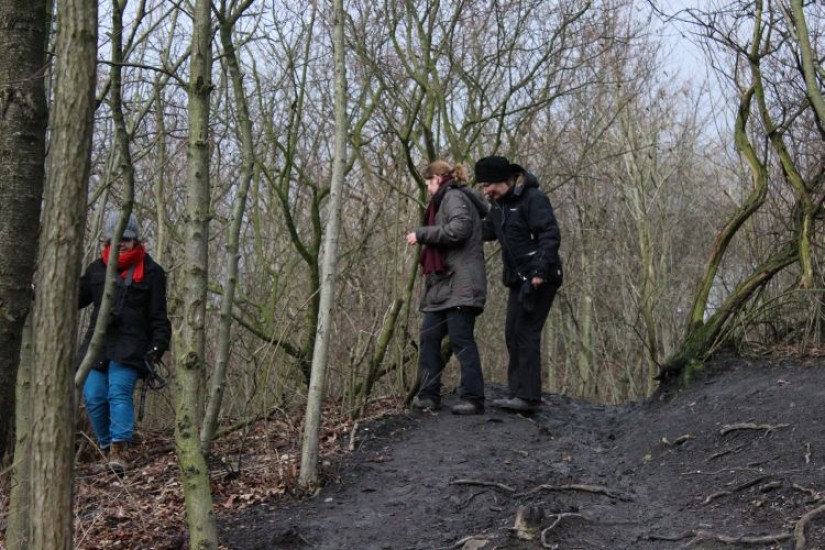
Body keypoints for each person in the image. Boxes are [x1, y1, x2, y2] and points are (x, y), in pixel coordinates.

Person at [78, 212, 171, 473]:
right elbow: (74, 298)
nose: (121, 244)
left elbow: (159, 316)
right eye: (116, 239)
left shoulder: (152, 272)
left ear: (135, 240)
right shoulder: (97, 269)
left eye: (127, 239)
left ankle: (119, 451)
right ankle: (107, 449)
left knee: (118, 392)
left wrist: (157, 348)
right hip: (97, 346)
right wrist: (38, 292)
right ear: (108, 240)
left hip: (132, 347)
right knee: (94, 396)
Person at [476, 155, 563, 412]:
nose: (485, 191)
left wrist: (539, 271)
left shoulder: (533, 199)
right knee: (512, 332)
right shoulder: (500, 205)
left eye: (487, 185)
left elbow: (550, 234)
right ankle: (517, 392)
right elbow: (488, 231)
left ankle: (528, 397)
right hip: (518, 279)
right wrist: (459, 226)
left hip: (540, 278)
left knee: (526, 332)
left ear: (502, 180)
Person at [406, 160, 490, 415]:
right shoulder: (447, 199)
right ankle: (428, 396)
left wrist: (422, 234)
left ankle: (473, 398)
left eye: (428, 184)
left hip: (461, 284)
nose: (428, 190)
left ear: (437, 178)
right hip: (445, 285)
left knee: (461, 339)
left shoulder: (453, 197)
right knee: (429, 336)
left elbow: (459, 229)